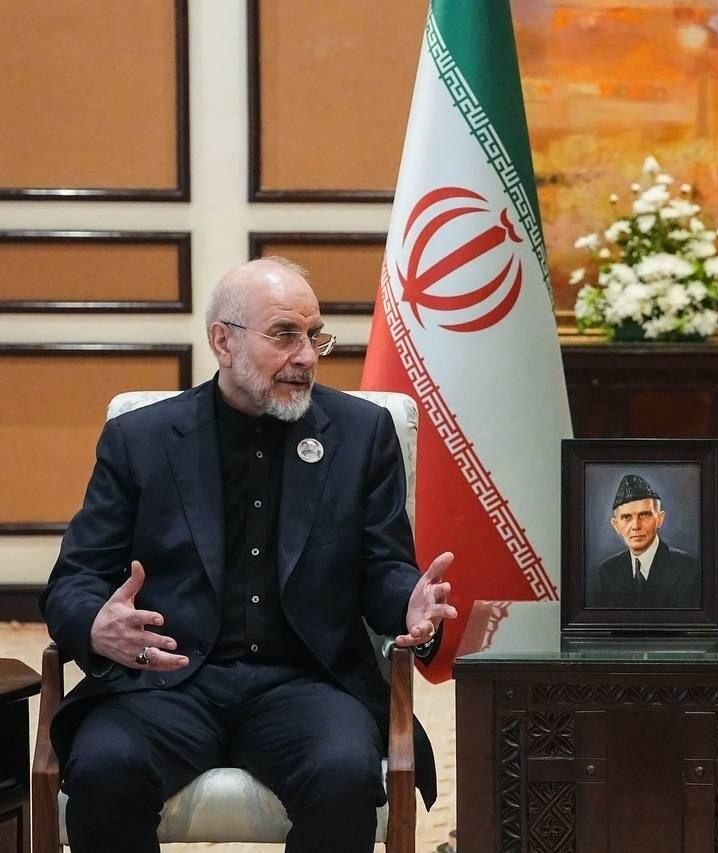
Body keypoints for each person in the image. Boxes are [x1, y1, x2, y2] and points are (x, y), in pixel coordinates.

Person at [39, 257, 458, 853]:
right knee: (105, 767)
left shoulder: (360, 434)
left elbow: (384, 567)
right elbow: (76, 578)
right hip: (167, 682)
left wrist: (408, 604)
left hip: (306, 682)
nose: (307, 356)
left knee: (343, 773)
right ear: (223, 342)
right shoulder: (142, 440)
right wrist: (95, 625)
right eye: (284, 335)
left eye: (315, 336)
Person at [591, 474, 700, 609]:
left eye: (644, 515)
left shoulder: (689, 569)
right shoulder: (608, 571)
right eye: (626, 517)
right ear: (616, 525)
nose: (636, 526)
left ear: (660, 519)